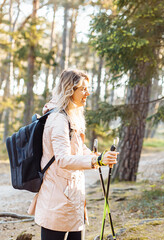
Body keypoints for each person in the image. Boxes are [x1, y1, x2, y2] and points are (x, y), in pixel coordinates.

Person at [27, 69, 118, 240]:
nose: (87, 93)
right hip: (57, 200)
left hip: (72, 199)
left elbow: (78, 148)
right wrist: (96, 160)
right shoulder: (58, 119)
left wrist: (101, 158)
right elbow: (62, 159)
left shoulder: (69, 117)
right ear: (70, 89)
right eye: (83, 88)